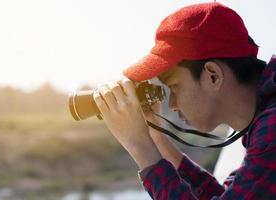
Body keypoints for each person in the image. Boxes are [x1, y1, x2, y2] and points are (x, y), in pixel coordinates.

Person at [93, 2, 276, 199]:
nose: (171, 104)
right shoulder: (263, 122)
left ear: (213, 75)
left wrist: (140, 148)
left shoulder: (272, 130)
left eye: (174, 87)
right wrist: (157, 139)